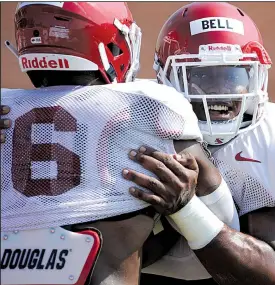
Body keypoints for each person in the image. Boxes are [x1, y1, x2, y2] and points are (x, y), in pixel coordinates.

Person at [0, 2, 238, 285]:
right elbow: (223, 222)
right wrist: (182, 210)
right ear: (110, 43)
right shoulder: (148, 106)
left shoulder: (5, 108)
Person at [123, 2, 275, 285]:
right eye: (202, 76)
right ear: (165, 77)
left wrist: (186, 209)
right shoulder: (133, 127)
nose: (221, 93)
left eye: (233, 76)